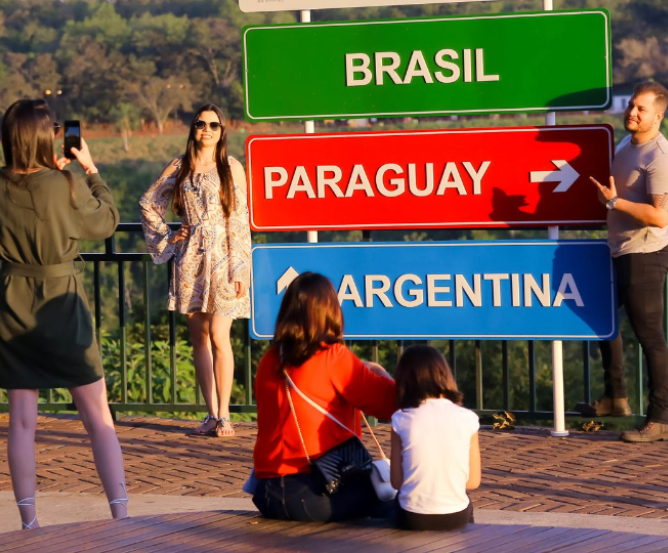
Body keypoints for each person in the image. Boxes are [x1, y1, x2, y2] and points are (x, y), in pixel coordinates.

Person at [0, 99, 127, 529]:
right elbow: (106, 222)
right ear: (46, 137)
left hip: (13, 306)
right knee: (98, 418)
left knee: (22, 423)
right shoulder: (65, 183)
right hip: (61, 303)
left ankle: (29, 522)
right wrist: (89, 172)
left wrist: (54, 177)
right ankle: (120, 514)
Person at [139, 104, 251, 438]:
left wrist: (240, 267)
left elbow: (240, 218)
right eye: (200, 124)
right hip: (190, 258)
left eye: (214, 125)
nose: (207, 129)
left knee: (220, 336)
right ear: (193, 128)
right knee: (199, 337)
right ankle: (211, 414)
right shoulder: (180, 166)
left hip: (224, 256)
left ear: (222, 131)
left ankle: (226, 415)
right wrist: (169, 237)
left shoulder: (231, 167)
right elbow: (148, 203)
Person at [251, 272, 396, 522]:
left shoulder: (270, 359)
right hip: (315, 493)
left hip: (267, 494)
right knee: (402, 504)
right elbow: (389, 404)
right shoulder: (333, 357)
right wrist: (380, 373)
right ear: (331, 311)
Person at [584, 81, 668, 442]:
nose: (633, 112)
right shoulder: (628, 143)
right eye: (631, 106)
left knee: (650, 339)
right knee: (603, 322)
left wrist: (615, 203)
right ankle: (617, 398)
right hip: (618, 250)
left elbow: (661, 217)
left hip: (646, 255)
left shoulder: (662, 159)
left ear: (658, 115)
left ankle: (659, 420)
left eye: (641, 109)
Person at [390, 345, 481, 531]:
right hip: (456, 517)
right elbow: (473, 482)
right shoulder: (468, 418)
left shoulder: (401, 419)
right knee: (467, 504)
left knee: (388, 506)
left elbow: (397, 483)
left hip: (413, 518)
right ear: (445, 375)